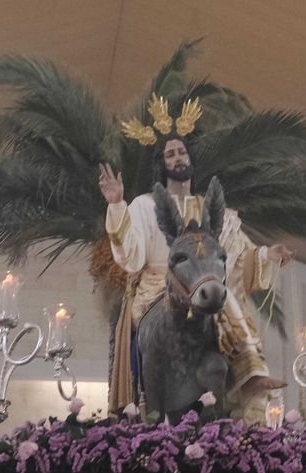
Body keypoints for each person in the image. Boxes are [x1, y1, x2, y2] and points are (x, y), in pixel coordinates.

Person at [100, 96, 292, 421]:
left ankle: (250, 375)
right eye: (170, 154)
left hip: (203, 281)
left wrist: (265, 255)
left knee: (224, 296)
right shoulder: (145, 205)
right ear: (161, 163)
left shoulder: (211, 210)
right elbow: (130, 256)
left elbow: (234, 255)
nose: (178, 158)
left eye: (182, 152)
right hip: (157, 287)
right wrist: (117, 205)